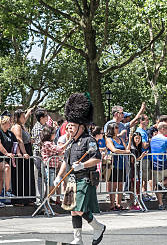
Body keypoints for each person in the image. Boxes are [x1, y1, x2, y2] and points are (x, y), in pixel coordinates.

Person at [54, 93, 105, 245]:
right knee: (72, 209)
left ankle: (98, 227)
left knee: (79, 208)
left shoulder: (88, 141)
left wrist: (83, 164)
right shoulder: (70, 143)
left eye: (73, 126)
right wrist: (58, 176)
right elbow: (65, 160)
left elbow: (97, 158)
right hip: (71, 179)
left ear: (81, 127)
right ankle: (78, 238)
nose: (70, 129)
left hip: (84, 178)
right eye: (69, 126)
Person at [149, 122, 167, 210]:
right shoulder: (166, 140)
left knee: (158, 184)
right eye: (166, 129)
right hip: (164, 163)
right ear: (162, 129)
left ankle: (160, 204)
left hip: (154, 163)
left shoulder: (153, 139)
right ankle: (161, 184)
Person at [11, 108, 36, 206]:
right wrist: (24, 153)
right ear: (18, 117)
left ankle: (28, 198)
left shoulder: (22, 126)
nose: (24, 117)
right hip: (22, 154)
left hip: (28, 150)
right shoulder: (17, 127)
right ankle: (20, 199)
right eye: (22, 116)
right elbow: (19, 140)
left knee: (27, 176)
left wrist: (29, 112)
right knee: (21, 176)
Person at [104, 122, 130, 211]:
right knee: (113, 184)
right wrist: (124, 152)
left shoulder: (120, 138)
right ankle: (112, 204)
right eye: (115, 127)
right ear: (111, 129)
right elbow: (114, 150)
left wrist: (129, 139)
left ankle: (119, 204)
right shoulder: (109, 139)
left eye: (117, 127)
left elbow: (127, 149)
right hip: (113, 164)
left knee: (120, 184)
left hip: (122, 163)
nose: (117, 129)